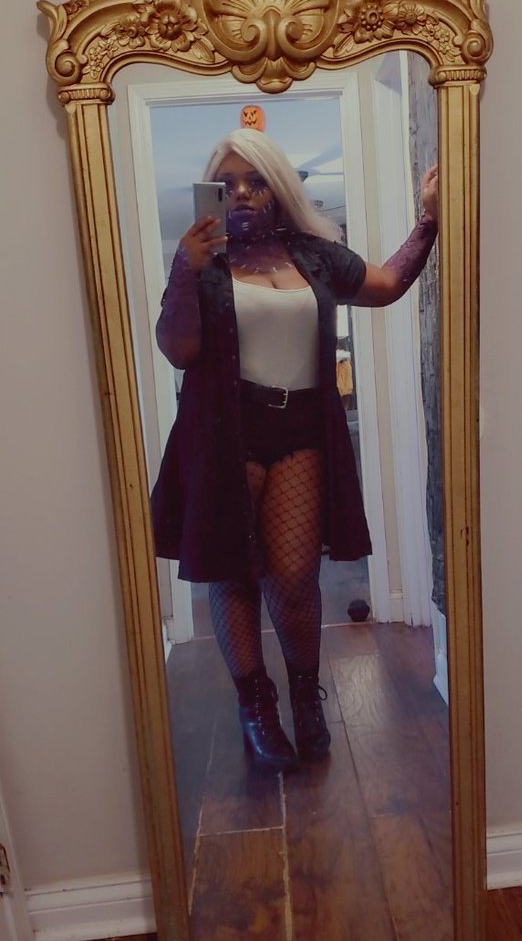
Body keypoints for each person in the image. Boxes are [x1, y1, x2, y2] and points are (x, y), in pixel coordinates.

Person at [151, 129, 438, 773]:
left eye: (255, 182)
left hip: (302, 428)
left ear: (278, 189)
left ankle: (307, 696)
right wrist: (183, 268)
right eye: (227, 184)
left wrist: (429, 220)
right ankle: (257, 706)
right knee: (232, 574)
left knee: (294, 576)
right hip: (223, 431)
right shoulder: (204, 261)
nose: (241, 194)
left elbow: (388, 283)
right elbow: (179, 350)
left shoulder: (314, 256)